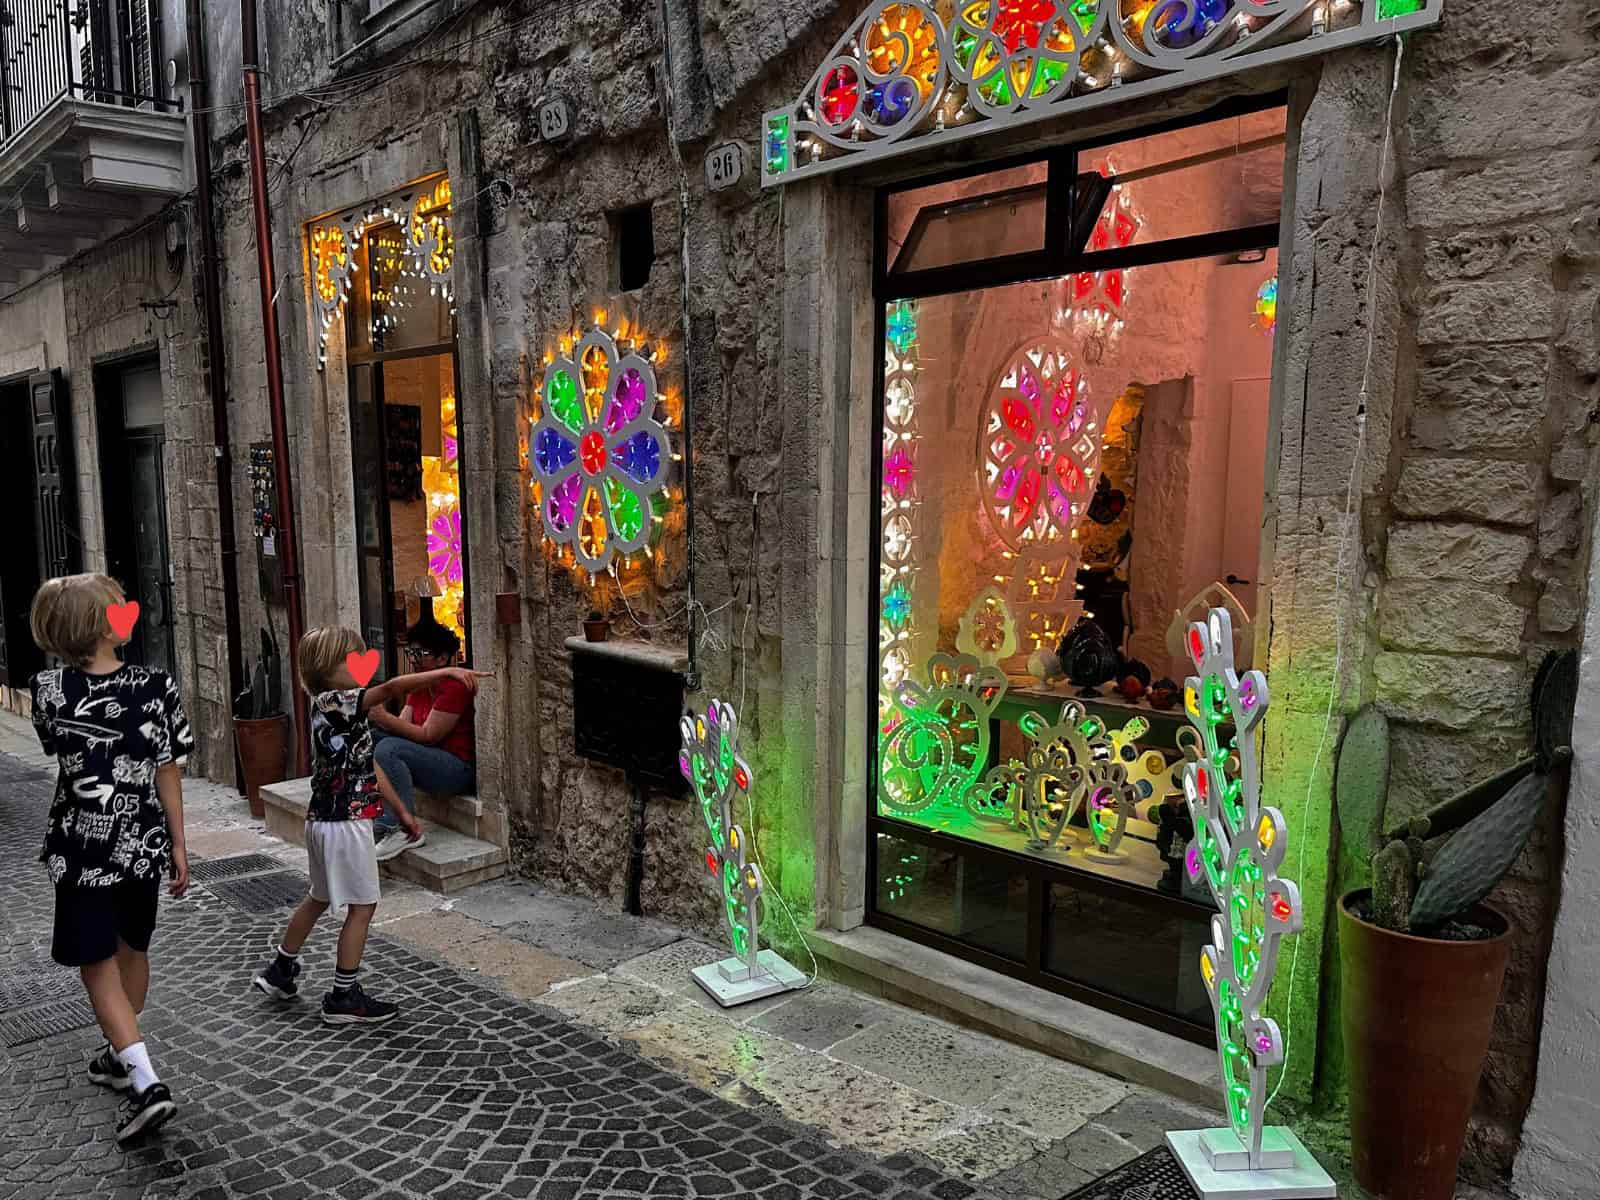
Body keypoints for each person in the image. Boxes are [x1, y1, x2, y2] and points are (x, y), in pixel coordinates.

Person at [27, 573, 194, 1145]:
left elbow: (58, 749)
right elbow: (168, 767)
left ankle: (145, 1082)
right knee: (131, 948)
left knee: (96, 962)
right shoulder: (157, 685)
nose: (130, 611)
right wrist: (177, 841)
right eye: (119, 606)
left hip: (82, 848)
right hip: (143, 840)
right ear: (103, 623)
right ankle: (119, 1054)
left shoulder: (48, 691)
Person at [251, 627, 487, 1024]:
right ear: (330, 668)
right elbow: (392, 686)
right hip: (346, 822)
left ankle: (281, 969)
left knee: (319, 896)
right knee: (363, 905)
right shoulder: (341, 701)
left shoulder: (327, 709)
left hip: (321, 820)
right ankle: (344, 995)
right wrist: (445, 674)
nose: (363, 669)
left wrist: (403, 813)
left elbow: (371, 769)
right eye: (353, 660)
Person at [366, 618, 477, 862]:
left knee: (389, 749)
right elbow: (404, 726)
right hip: (428, 759)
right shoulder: (419, 686)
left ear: (442, 659)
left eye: (420, 653)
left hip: (456, 769)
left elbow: (429, 735)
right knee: (370, 741)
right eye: (411, 653)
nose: (414, 660)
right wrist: (381, 722)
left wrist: (384, 717)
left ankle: (401, 830)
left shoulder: (455, 688)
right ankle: (379, 817)